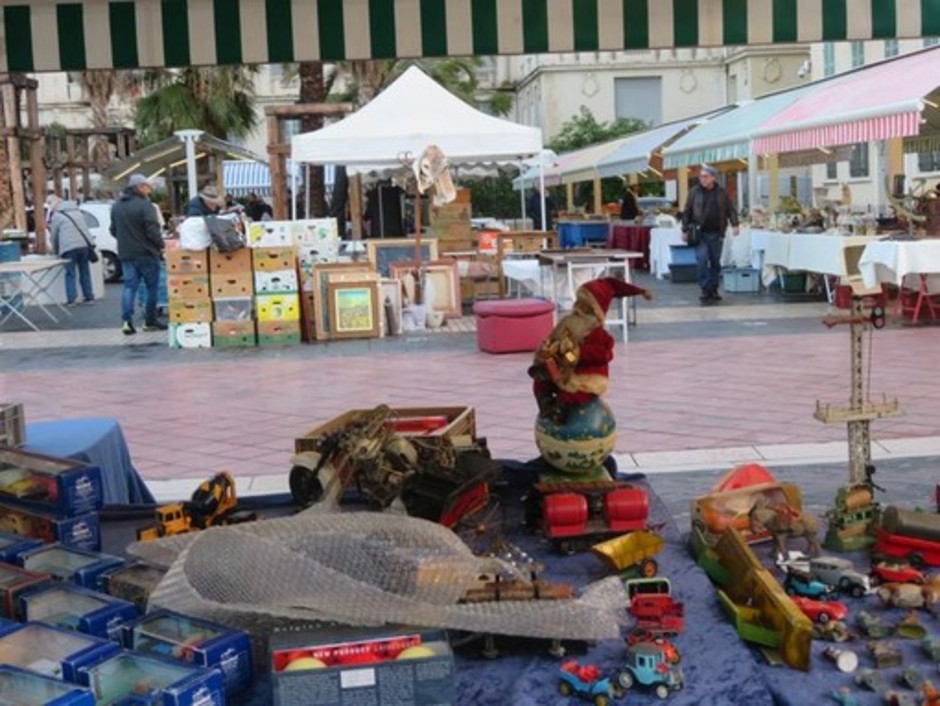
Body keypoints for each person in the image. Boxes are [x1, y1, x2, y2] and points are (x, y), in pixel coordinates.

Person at [529, 277, 653, 424]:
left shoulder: (600, 335)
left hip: (585, 375)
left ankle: (560, 411)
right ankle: (545, 403)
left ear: (596, 312)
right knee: (541, 382)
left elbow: (604, 354)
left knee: (576, 394)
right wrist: (546, 350)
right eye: (579, 303)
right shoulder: (566, 324)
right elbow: (552, 339)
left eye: (586, 307)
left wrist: (577, 353)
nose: (580, 310)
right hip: (562, 369)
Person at [110, 173, 166, 334]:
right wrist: (161, 246)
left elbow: (113, 230)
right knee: (151, 287)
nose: (150, 189)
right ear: (140, 187)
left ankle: (126, 322)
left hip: (126, 253)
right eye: (148, 186)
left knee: (129, 287)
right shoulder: (146, 206)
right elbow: (152, 231)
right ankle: (150, 321)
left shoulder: (117, 206)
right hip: (147, 253)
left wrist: (126, 240)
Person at [681, 165, 739, 305]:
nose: (702, 179)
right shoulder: (694, 192)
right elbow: (687, 211)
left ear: (713, 177)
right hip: (699, 233)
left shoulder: (721, 192)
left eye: (705, 176)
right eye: (701, 176)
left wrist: (735, 224)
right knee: (702, 258)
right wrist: (684, 229)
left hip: (717, 232)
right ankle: (705, 288)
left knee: (715, 262)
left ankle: (713, 289)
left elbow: (730, 209)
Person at [48, 198, 95, 306]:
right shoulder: (78, 212)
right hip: (83, 245)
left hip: (68, 247)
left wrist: (55, 250)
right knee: (85, 271)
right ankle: (89, 296)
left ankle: (71, 299)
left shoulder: (57, 216)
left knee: (70, 273)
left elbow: (54, 235)